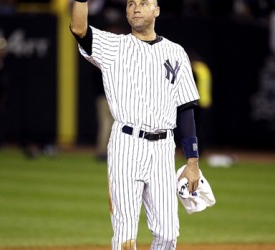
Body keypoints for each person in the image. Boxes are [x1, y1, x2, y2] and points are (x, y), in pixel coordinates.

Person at [70, 0, 201, 248]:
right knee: (125, 235)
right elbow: (79, 29)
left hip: (163, 149)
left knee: (168, 234)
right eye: (131, 3)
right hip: (126, 145)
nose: (136, 8)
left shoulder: (176, 52)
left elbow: (185, 109)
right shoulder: (113, 46)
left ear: (157, 11)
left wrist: (192, 160)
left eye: (143, 3)